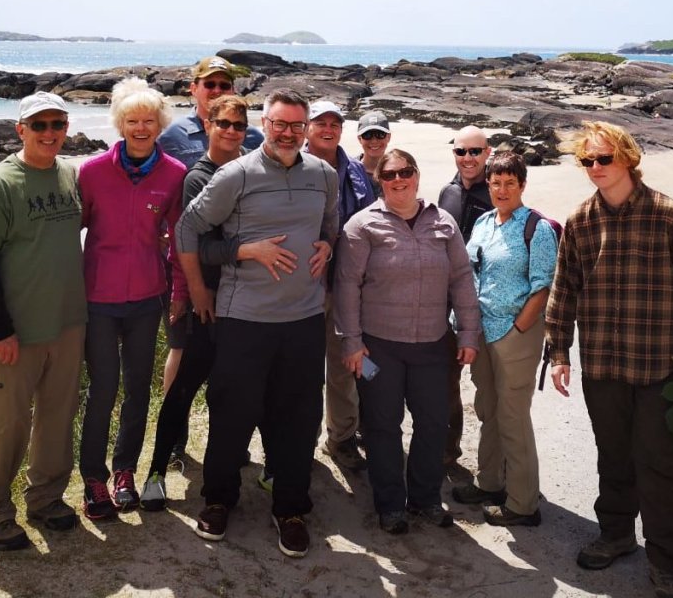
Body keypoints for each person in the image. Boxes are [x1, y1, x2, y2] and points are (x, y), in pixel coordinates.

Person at [545, 121, 673, 598]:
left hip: (658, 365)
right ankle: (616, 534)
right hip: (603, 365)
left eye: (603, 159)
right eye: (587, 161)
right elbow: (564, 291)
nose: (595, 168)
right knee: (613, 456)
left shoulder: (666, 214)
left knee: (659, 464)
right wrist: (559, 353)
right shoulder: (580, 220)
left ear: (627, 158)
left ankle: (664, 562)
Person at [174, 89, 336, 558]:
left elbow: (331, 222)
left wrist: (327, 245)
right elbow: (188, 231)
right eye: (280, 124)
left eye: (297, 126)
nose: (288, 133)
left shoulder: (322, 174)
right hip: (244, 319)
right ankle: (219, 500)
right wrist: (238, 255)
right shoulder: (236, 175)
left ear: (306, 129)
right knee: (232, 415)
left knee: (300, 419)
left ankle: (290, 508)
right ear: (264, 124)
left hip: (304, 319)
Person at [141, 94, 295, 509]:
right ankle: (156, 470)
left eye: (238, 126)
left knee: (256, 391)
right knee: (184, 389)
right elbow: (195, 244)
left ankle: (272, 467)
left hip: (249, 302)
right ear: (206, 125)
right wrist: (198, 287)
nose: (230, 132)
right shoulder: (198, 177)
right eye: (222, 124)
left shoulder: (254, 168)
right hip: (208, 302)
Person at [0, 91, 87, 551]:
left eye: (57, 124)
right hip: (15, 332)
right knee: (6, 427)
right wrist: (1, 330)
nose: (50, 133)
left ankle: (47, 500)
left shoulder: (69, 176)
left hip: (68, 323)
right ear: (21, 131)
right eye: (39, 125)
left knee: (57, 418)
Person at [334, 148, 481, 535]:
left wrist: (468, 333)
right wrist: (351, 343)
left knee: (434, 423)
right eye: (390, 175)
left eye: (406, 172)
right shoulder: (361, 226)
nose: (399, 180)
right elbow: (347, 285)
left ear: (417, 175)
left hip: (433, 345)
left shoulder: (443, 221)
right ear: (380, 181)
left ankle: (426, 498)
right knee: (382, 426)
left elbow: (462, 279)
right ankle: (390, 504)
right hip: (377, 346)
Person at [75, 78, 186, 520]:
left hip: (147, 298)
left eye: (149, 121)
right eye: (132, 121)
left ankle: (125, 473)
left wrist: (178, 291)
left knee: (138, 389)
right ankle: (94, 478)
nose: (141, 128)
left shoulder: (175, 173)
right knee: (103, 389)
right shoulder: (92, 171)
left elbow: (178, 242)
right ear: (119, 124)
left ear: (160, 124)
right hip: (97, 300)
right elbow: (69, 234)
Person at [156, 54, 266, 449]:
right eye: (210, 84)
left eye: (224, 85)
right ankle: (173, 443)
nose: (217, 90)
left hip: (238, 268)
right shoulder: (170, 136)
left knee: (230, 365)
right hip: (187, 266)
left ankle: (228, 444)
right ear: (194, 89)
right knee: (181, 351)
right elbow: (163, 198)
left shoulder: (251, 139)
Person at [452, 152, 555, 527]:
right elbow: (471, 272)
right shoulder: (483, 222)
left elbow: (543, 286)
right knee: (488, 410)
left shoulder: (537, 228)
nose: (502, 189)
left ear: (522, 185)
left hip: (515, 335)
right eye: (496, 182)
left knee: (513, 418)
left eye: (510, 182)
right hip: (482, 331)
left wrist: (520, 329)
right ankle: (490, 481)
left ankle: (523, 504)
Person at [306, 100, 377, 473]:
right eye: (321, 122)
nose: (328, 128)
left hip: (347, 285)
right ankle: (300, 435)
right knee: (300, 368)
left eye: (335, 122)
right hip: (300, 286)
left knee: (345, 365)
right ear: (307, 127)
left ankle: (342, 437)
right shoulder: (290, 164)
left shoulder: (356, 172)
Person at [436, 124, 493, 471]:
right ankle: (447, 455)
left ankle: (496, 464)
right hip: (448, 305)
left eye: (475, 151)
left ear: (488, 152)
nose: (468, 158)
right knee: (446, 384)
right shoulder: (448, 192)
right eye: (461, 151)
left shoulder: (500, 190)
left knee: (490, 392)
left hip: (489, 306)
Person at [354, 111, 391, 193]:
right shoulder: (348, 169)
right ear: (360, 139)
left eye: (380, 134)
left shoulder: (399, 171)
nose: (374, 141)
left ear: (388, 137)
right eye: (367, 135)